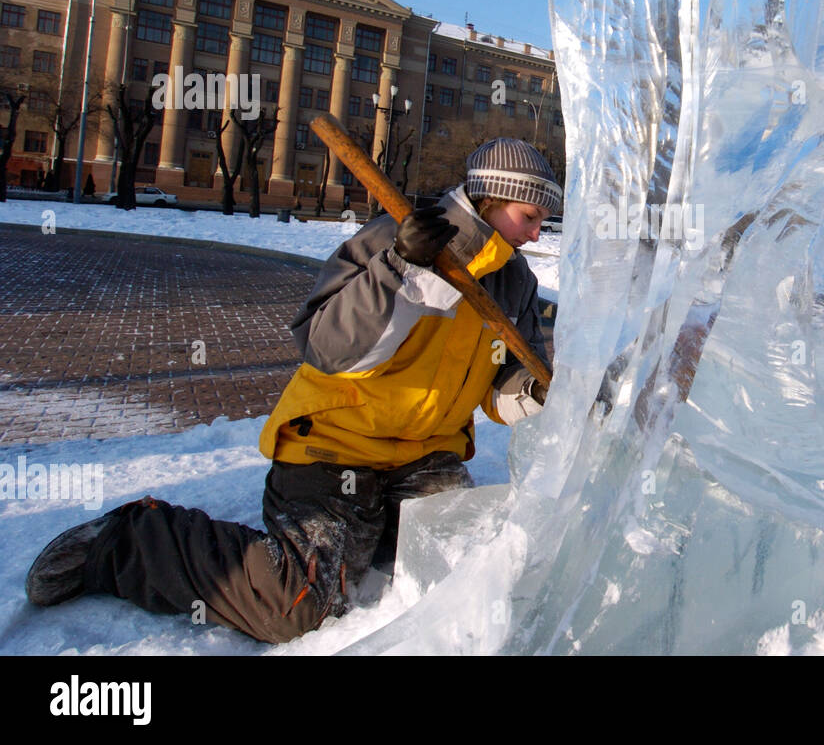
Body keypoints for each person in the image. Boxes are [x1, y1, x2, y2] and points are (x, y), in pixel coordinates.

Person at [25, 137, 559, 643]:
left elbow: (503, 377)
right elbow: (327, 347)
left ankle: (376, 528)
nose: (536, 233)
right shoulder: (388, 238)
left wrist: (535, 393)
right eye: (530, 216)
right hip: (332, 447)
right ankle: (132, 542)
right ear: (492, 197)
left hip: (425, 457)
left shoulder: (515, 281)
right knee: (302, 601)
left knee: (481, 567)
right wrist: (400, 270)